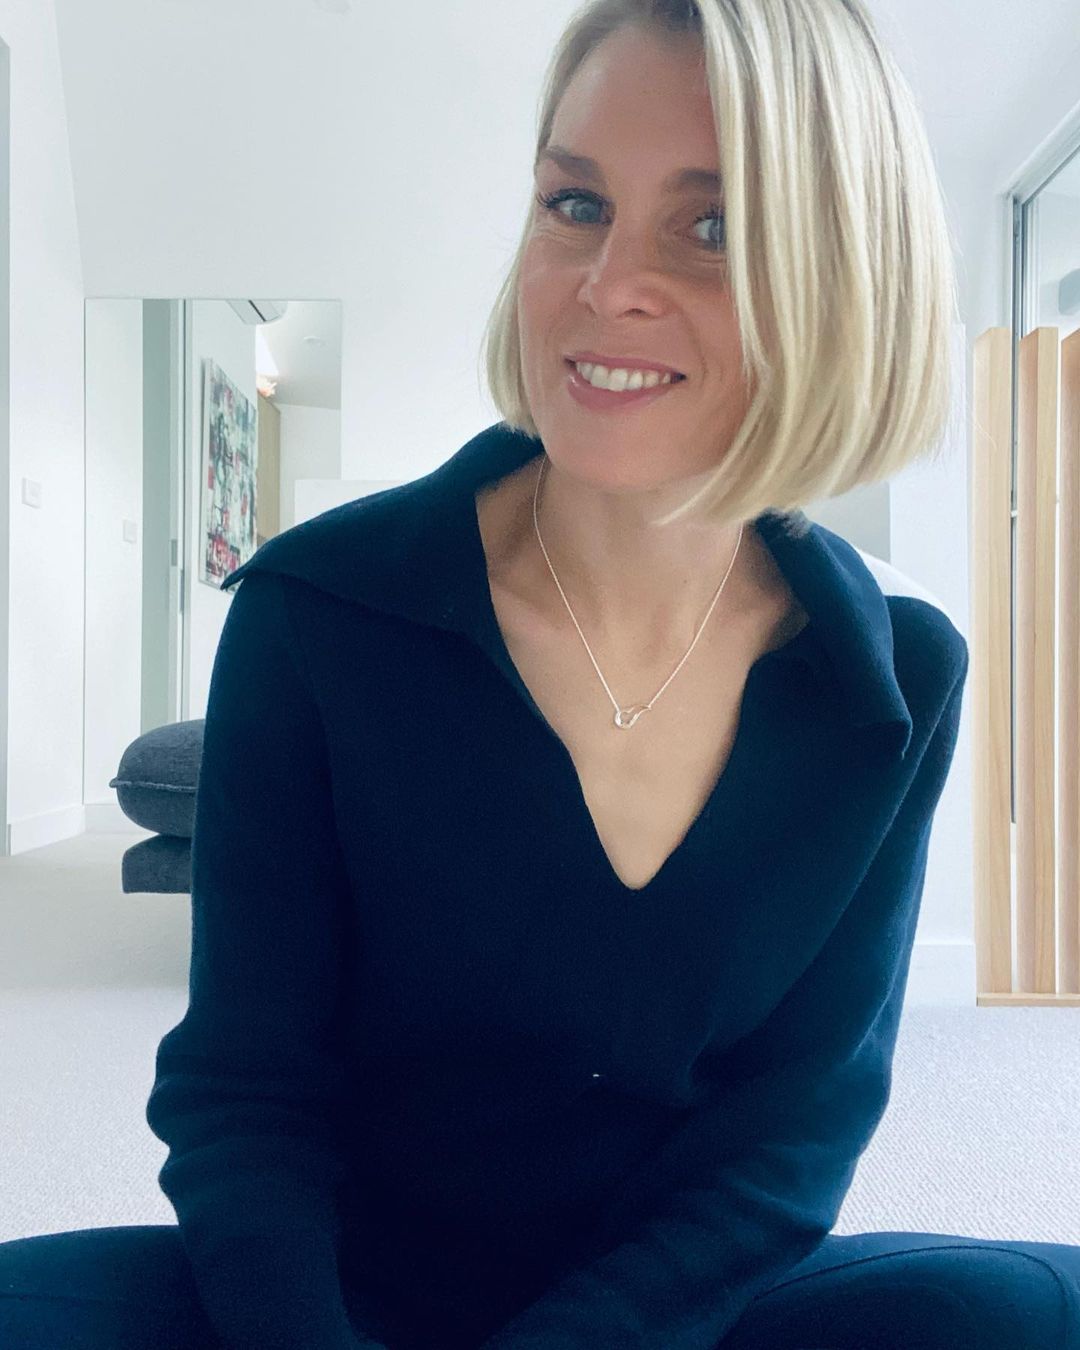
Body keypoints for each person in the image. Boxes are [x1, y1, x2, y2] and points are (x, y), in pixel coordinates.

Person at [3, 1, 1078, 1347]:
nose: (606, 282)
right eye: (576, 204)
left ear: (846, 276)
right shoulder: (316, 612)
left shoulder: (895, 682)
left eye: (713, 226)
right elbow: (246, 1094)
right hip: (331, 1295)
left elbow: (788, 1143)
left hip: (661, 1319)